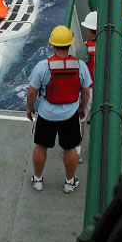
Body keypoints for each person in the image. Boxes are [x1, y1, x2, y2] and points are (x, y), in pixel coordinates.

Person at [26, 25, 91, 193]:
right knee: (70, 148)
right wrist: (83, 108)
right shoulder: (80, 66)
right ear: (70, 44)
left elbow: (32, 91)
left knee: (41, 146)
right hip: (70, 115)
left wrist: (29, 108)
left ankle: (38, 180)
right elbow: (85, 90)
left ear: (52, 45)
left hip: (47, 114)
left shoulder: (43, 66)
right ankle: (69, 182)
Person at [75, 11, 97, 163]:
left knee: (80, 120)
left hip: (88, 90)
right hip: (106, 89)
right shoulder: (112, 47)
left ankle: (77, 152)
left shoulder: (83, 50)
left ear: (89, 31)